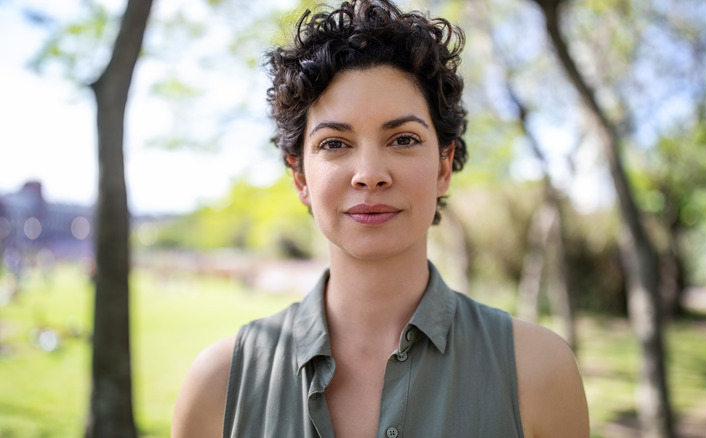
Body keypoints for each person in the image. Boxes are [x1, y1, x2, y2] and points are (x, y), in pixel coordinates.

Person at [172, 1, 589, 437]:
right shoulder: (217, 387)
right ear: (300, 178)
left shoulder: (538, 373)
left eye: (403, 138)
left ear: (444, 167)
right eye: (334, 143)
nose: (369, 174)